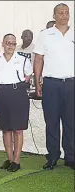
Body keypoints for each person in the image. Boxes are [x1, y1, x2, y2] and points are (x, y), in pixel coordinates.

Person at [34, 3, 74, 170]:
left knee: (71, 122)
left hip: (71, 83)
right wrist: (37, 82)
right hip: (51, 84)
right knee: (51, 122)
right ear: (54, 15)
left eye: (67, 12)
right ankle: (52, 156)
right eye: (60, 13)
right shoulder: (45, 34)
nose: (64, 15)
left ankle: (70, 157)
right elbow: (38, 60)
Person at [0, 34, 32, 172]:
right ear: (2, 43)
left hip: (18, 94)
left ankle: (17, 160)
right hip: (1, 93)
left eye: (13, 43)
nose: (10, 45)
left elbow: (28, 77)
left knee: (18, 129)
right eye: (8, 42)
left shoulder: (23, 59)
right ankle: (9, 159)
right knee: (6, 128)